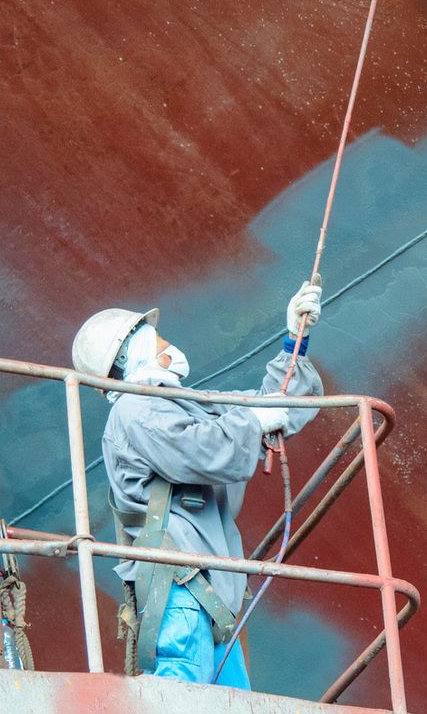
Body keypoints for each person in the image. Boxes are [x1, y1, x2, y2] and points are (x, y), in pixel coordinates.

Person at [71, 284, 323, 688]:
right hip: (180, 585)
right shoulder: (135, 410)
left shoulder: (186, 405)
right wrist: (255, 422)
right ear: (132, 351)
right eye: (160, 341)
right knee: (180, 705)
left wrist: (294, 341)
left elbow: (268, 406)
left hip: (207, 588)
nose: (171, 347)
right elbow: (198, 449)